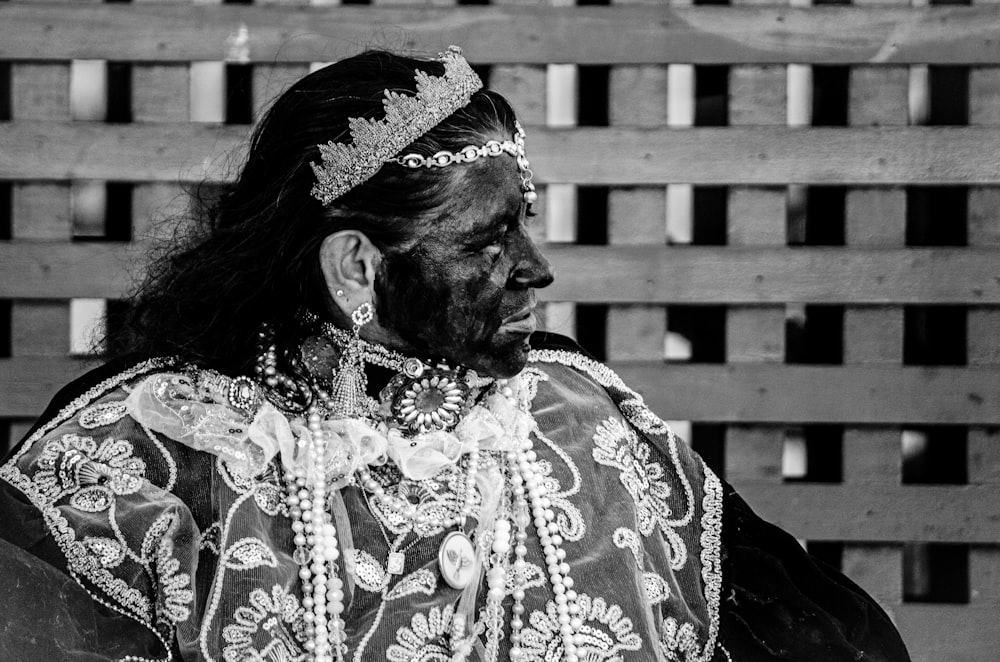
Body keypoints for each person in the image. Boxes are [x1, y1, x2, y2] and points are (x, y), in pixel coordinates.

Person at [0, 47, 910, 662]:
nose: (537, 269)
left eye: (528, 221)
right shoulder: (162, 447)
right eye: (488, 240)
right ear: (357, 265)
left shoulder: (575, 415)